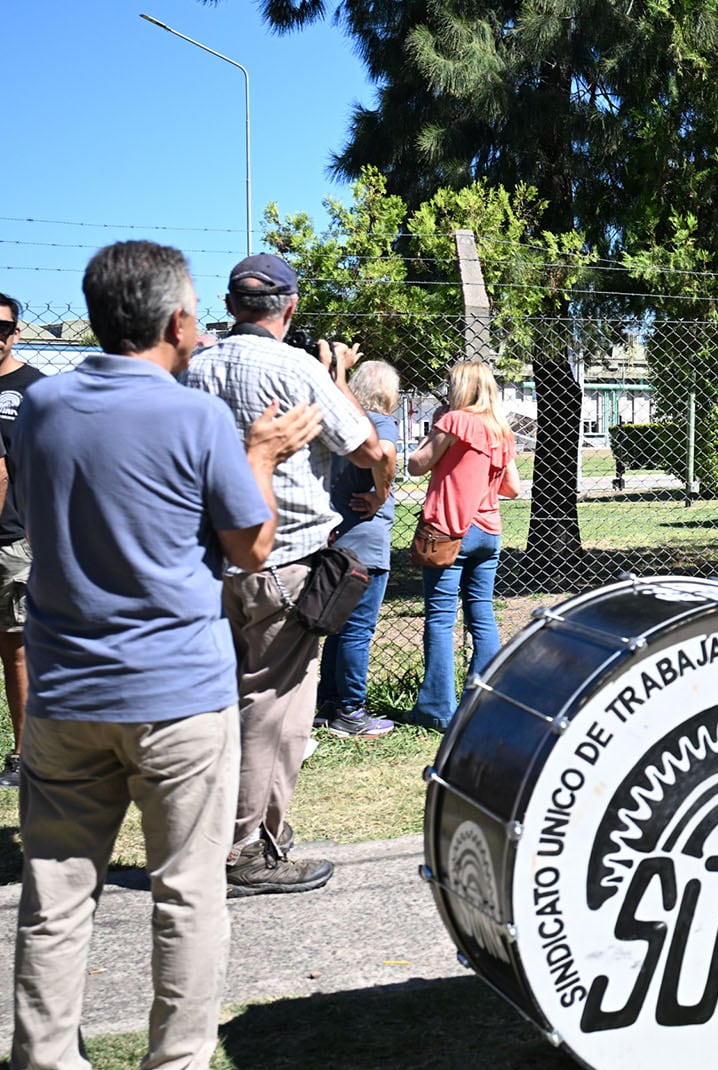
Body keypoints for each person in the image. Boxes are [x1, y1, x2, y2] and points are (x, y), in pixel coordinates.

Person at [9, 240, 321, 1070]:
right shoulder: (197, 420)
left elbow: (39, 514)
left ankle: (44, 1065)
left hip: (65, 693)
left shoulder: (40, 409)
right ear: (179, 320)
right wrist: (261, 456)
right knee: (187, 895)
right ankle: (176, 1068)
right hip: (178, 696)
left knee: (57, 897)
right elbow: (252, 546)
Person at [185, 253, 394, 898]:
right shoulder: (298, 367)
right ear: (290, 306)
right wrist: (383, 484)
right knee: (275, 711)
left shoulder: (193, 369)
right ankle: (253, 850)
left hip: (208, 563)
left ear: (230, 305)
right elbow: (368, 446)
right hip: (283, 562)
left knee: (224, 704)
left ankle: (220, 835)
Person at [408, 360, 521, 729]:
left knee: (441, 619)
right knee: (482, 614)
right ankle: (487, 702)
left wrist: (435, 431)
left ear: (461, 387)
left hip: (449, 530)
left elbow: (416, 465)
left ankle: (437, 708)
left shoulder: (454, 421)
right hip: (489, 531)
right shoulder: (501, 430)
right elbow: (512, 488)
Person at [317, 360, 402, 738]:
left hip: (338, 537)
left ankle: (329, 703)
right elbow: (385, 454)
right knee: (358, 629)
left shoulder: (340, 422)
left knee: (337, 627)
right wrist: (381, 495)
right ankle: (352, 709)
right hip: (367, 540)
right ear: (386, 391)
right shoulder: (378, 423)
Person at [0, 291, 44, 788]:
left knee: (18, 653)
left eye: (2, 326)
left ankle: (24, 754)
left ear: (15, 333)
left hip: (16, 542)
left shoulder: (37, 390)